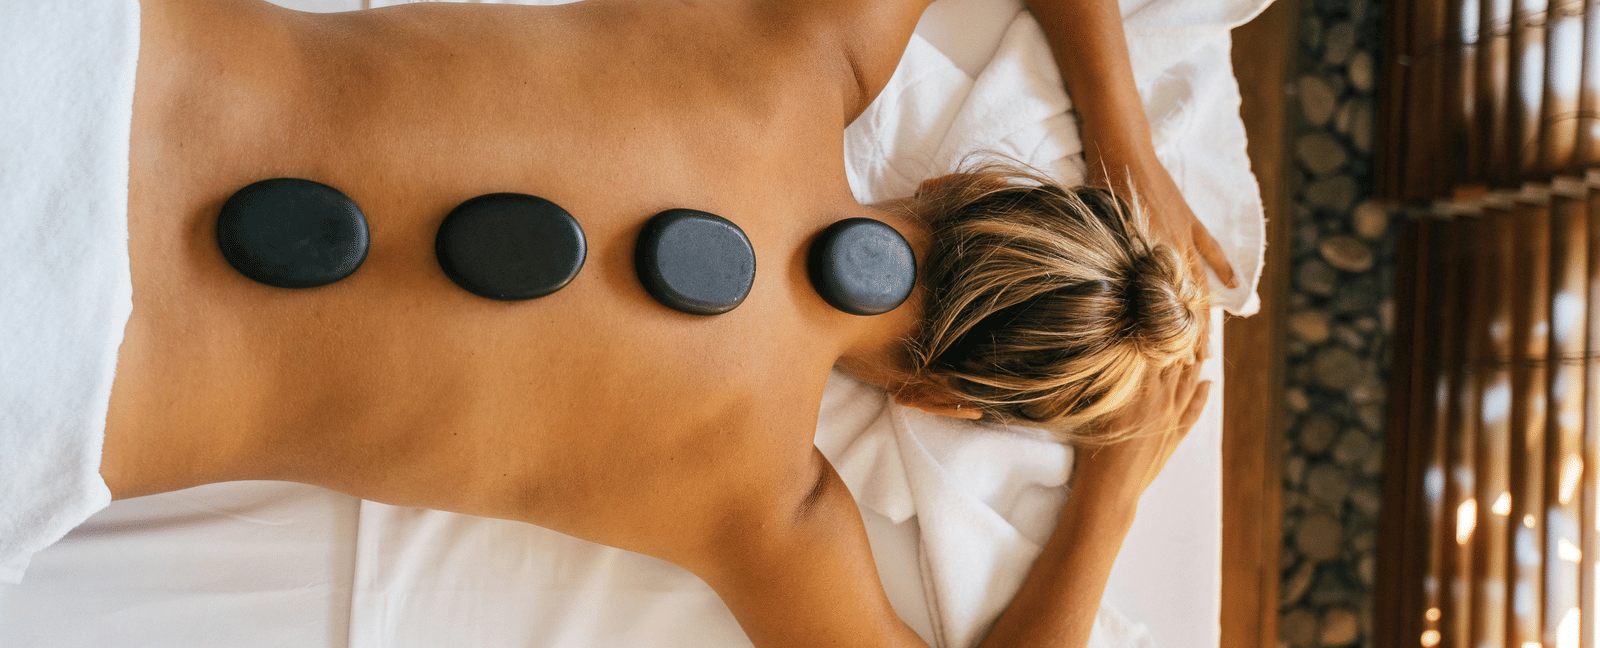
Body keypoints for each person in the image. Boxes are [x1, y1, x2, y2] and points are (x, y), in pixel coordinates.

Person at [88, 0, 1231, 645]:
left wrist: (1129, 149)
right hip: (68, 387)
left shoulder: (795, 50)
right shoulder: (762, 510)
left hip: (78, 64)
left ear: (957, 187)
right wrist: (1107, 496)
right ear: (939, 399)